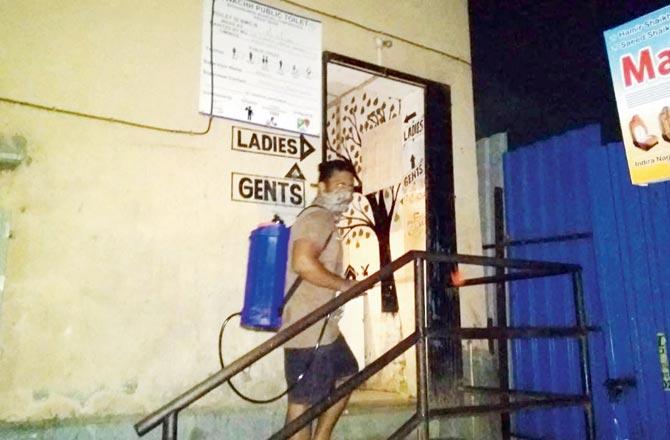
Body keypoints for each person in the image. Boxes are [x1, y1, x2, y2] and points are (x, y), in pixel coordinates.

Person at [281, 160, 359, 440]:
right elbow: (302, 263)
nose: (346, 193)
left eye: (350, 187)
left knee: (348, 372)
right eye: (340, 185)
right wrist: (346, 285)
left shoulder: (323, 220)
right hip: (308, 326)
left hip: (323, 328)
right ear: (322, 186)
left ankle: (321, 437)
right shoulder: (318, 218)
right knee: (303, 403)